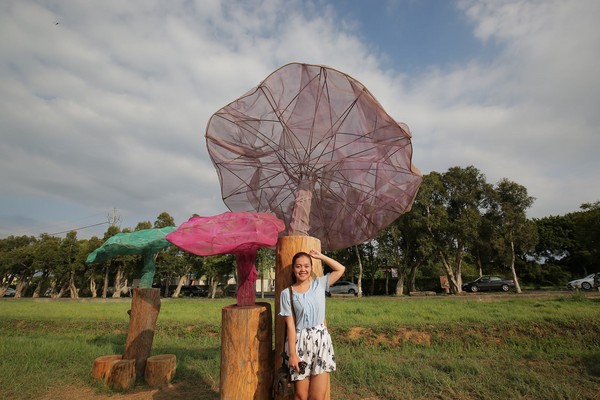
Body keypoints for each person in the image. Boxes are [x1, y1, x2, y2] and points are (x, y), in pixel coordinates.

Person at [279, 249, 346, 400]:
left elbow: (340, 269)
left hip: (321, 342)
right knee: (301, 395)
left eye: (306, 266)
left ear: (311, 267)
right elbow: (290, 325)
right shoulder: (287, 293)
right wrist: (293, 355)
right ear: (293, 268)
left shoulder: (320, 284)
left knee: (318, 396)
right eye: (298, 266)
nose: (303, 269)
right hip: (300, 343)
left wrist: (320, 256)